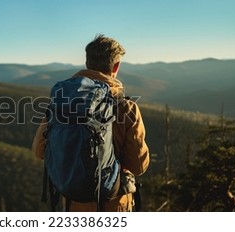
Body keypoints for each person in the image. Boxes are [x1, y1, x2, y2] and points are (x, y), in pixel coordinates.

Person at [32, 34, 150, 212]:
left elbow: (39, 151)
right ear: (116, 66)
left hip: (72, 203)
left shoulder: (63, 101)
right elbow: (138, 166)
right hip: (112, 204)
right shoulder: (126, 107)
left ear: (87, 63)